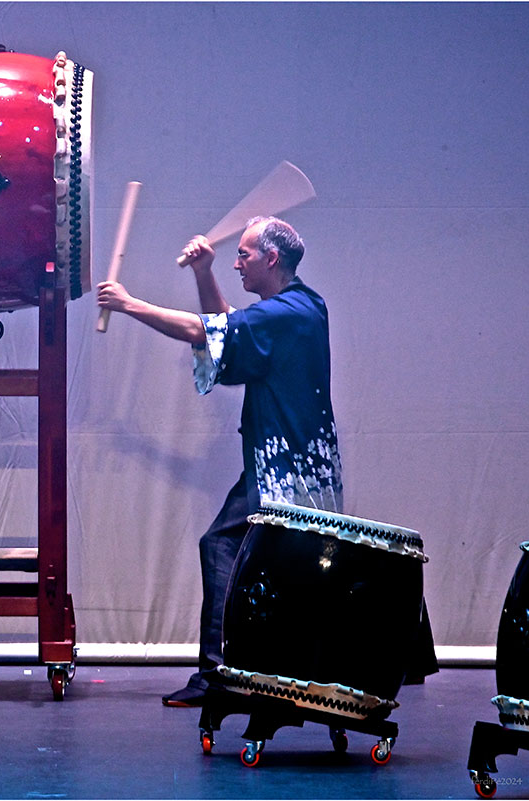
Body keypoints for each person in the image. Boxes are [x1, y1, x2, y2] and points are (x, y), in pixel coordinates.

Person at [97, 216, 347, 707]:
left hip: (287, 474)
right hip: (290, 468)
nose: (237, 264)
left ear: (271, 258)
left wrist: (127, 304)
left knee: (223, 546)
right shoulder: (304, 307)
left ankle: (220, 677)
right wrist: (202, 272)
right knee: (252, 558)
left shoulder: (287, 314)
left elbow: (205, 329)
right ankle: (252, 672)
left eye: (244, 255)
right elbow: (227, 331)